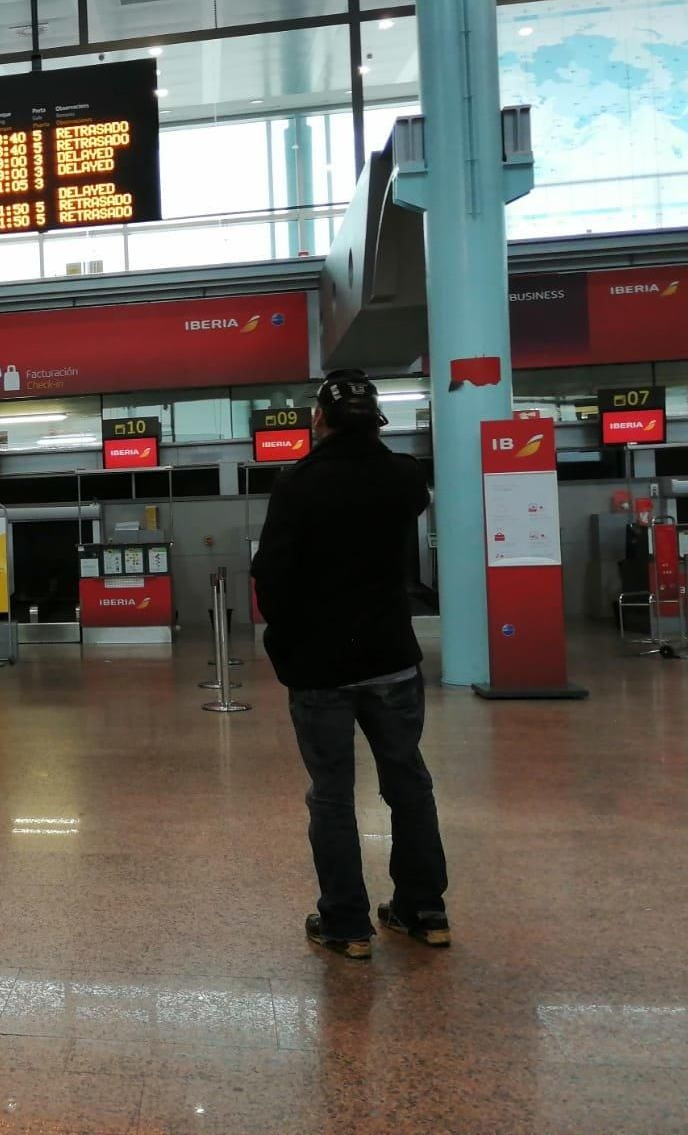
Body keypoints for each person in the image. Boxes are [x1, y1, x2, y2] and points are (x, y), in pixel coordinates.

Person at [250, 369, 450, 961]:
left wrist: (286, 647)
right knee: (408, 784)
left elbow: (271, 575)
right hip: (391, 659)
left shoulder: (299, 483)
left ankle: (346, 924)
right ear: (376, 419)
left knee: (333, 795)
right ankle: (424, 908)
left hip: (320, 667)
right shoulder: (405, 478)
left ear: (320, 419)